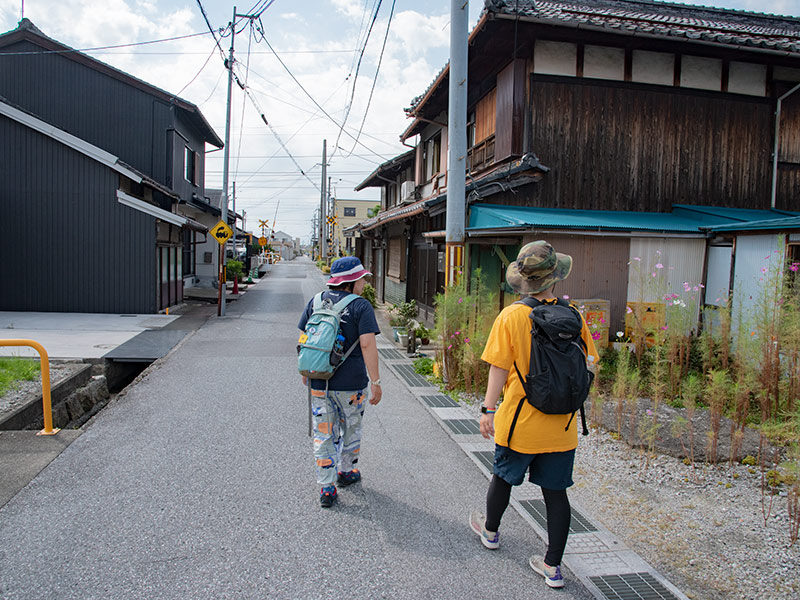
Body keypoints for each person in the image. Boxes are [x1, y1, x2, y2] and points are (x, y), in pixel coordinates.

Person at [469, 240, 599, 589]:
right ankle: (552, 567)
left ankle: (491, 531)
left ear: (524, 280)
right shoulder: (573, 316)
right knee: (555, 494)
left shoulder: (511, 315)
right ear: (554, 278)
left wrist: (487, 410)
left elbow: (498, 368)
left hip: (520, 422)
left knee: (503, 478)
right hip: (562, 425)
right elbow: (590, 366)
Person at [298, 256, 382, 508]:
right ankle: (346, 472)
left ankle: (326, 487)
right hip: (351, 385)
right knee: (351, 429)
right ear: (351, 281)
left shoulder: (315, 301)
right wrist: (375, 381)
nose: (365, 283)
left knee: (324, 433)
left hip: (319, 381)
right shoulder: (361, 306)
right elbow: (367, 344)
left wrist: (306, 370)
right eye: (362, 279)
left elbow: (305, 337)